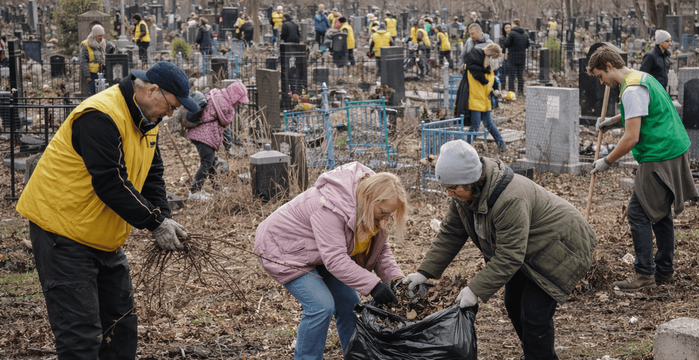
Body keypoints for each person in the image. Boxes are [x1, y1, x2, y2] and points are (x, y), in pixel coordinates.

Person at [16, 61, 197, 359]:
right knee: (80, 336)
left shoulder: (146, 120)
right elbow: (110, 182)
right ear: (152, 91)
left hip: (102, 235)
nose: (170, 114)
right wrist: (154, 223)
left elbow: (152, 174)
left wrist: (163, 216)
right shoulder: (99, 115)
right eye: (171, 106)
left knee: (121, 328)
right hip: (63, 233)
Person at [403, 140, 597, 360]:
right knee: (513, 304)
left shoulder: (508, 198)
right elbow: (451, 233)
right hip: (529, 249)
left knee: (534, 315)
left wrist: (474, 290)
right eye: (446, 188)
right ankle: (535, 355)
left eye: (452, 188)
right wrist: (425, 272)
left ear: (471, 180)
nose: (449, 194)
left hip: (561, 247)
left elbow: (510, 256)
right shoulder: (463, 197)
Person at [255, 162, 407, 359]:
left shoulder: (369, 206)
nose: (385, 218)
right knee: (320, 306)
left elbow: (380, 250)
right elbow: (335, 259)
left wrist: (396, 281)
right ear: (371, 198)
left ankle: (355, 356)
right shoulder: (330, 206)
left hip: (319, 252)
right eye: (384, 212)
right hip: (281, 248)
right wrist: (374, 286)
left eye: (389, 214)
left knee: (350, 304)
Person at [588, 46, 698, 292]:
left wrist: (607, 161)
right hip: (674, 148)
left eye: (600, 76)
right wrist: (612, 121)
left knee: (638, 212)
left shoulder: (631, 90)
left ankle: (644, 275)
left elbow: (632, 137)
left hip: (659, 155)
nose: (602, 82)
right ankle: (664, 271)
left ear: (609, 67)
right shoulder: (641, 77)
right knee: (659, 212)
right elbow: (641, 112)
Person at [185, 82, 249, 200]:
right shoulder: (225, 104)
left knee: (212, 161)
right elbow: (226, 122)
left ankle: (217, 188)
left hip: (200, 133)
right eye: (239, 100)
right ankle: (194, 191)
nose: (239, 103)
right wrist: (228, 146)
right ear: (235, 96)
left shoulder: (219, 95)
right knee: (207, 162)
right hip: (203, 135)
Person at [457, 43, 507, 153]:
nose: (493, 61)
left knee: (489, 124)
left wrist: (496, 89)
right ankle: (468, 149)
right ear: (489, 54)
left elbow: (492, 79)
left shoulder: (487, 67)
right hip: (475, 99)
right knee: (475, 126)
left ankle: (501, 144)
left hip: (485, 100)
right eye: (493, 57)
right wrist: (488, 84)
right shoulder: (474, 64)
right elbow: (480, 77)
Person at [80, 24, 117, 96]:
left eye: (102, 35)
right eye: (99, 36)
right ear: (94, 35)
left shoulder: (104, 42)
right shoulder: (86, 44)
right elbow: (83, 61)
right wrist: (87, 76)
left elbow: (111, 49)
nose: (101, 37)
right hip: (91, 73)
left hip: (102, 71)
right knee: (91, 94)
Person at [503, 19, 530, 95]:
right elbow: (527, 45)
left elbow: (506, 44)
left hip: (513, 57)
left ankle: (512, 91)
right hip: (522, 57)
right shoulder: (525, 33)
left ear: (514, 24)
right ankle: (520, 91)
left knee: (512, 75)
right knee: (520, 75)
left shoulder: (512, 33)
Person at [498, 22, 511, 90]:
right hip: (504, 57)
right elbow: (502, 46)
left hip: (511, 57)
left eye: (509, 27)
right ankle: (502, 88)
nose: (508, 29)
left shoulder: (512, 36)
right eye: (506, 28)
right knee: (503, 74)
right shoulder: (502, 38)